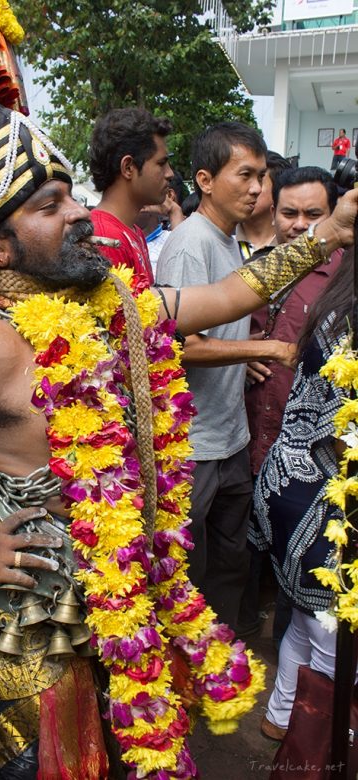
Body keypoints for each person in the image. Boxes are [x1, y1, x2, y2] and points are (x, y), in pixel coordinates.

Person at [0, 90, 356, 778]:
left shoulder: (118, 312)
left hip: (118, 607)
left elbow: (232, 296)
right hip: (22, 636)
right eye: (50, 207)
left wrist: (329, 233)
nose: (81, 214)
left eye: (70, 197)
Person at [155, 122, 296, 629]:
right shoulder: (191, 244)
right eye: (245, 175)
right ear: (206, 180)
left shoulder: (228, 240)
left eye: (261, 176)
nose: (258, 187)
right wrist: (265, 348)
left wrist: (240, 354)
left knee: (232, 562)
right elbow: (183, 344)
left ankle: (228, 666)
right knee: (192, 572)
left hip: (229, 438)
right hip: (194, 447)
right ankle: (192, 677)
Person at [239, 165, 342, 640]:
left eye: (313, 213)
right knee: (242, 559)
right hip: (245, 443)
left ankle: (294, 686)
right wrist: (242, 357)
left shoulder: (343, 280)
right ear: (273, 212)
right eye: (290, 213)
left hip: (306, 461)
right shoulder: (257, 271)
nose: (300, 224)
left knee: (299, 585)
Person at [253, 255, 354, 740]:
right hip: (320, 491)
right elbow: (344, 431)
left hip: (288, 485)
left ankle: (279, 721)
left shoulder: (335, 300)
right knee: (334, 639)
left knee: (305, 621)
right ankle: (318, 747)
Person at [89, 107, 174, 285]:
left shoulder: (133, 231)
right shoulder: (105, 238)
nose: (170, 173)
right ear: (128, 168)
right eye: (161, 164)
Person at [237, 150, 291, 260]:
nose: (252, 189)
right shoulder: (223, 238)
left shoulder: (292, 242)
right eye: (244, 179)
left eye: (260, 180)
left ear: (279, 190)